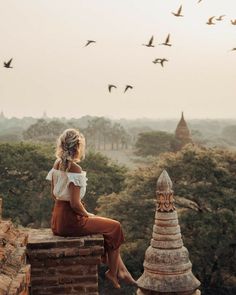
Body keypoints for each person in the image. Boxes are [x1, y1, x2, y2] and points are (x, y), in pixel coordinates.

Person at [46, 128, 136, 289]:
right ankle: (113, 272)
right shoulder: (75, 169)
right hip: (71, 221)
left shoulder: (57, 164)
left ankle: (122, 270)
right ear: (78, 146)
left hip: (57, 220)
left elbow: (55, 195)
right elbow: (74, 203)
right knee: (115, 227)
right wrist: (86, 214)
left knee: (106, 229)